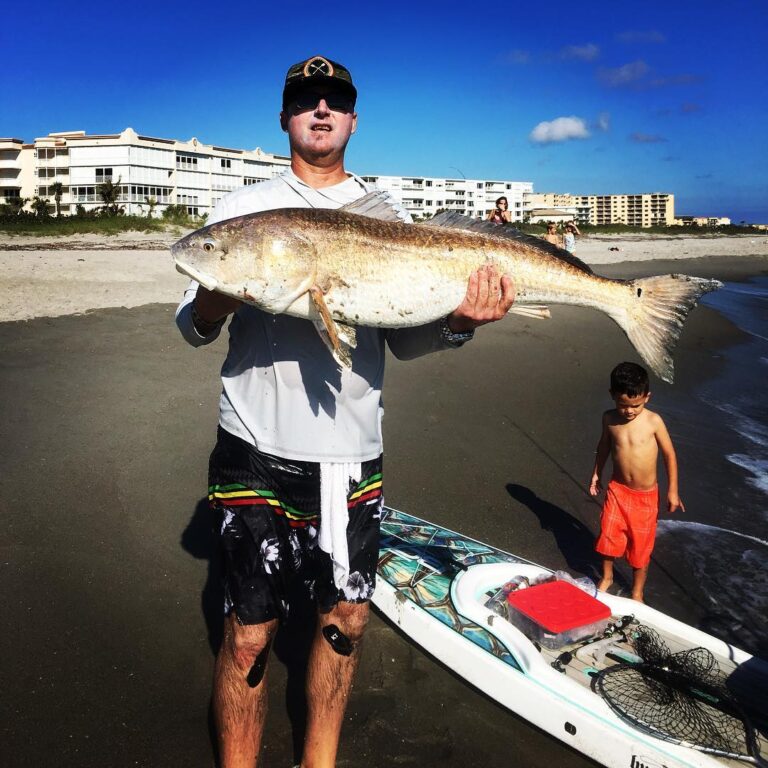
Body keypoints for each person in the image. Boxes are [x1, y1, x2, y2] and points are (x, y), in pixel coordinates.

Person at [175, 55, 515, 768]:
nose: (320, 110)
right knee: (247, 634)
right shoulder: (243, 213)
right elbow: (194, 324)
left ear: (354, 119)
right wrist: (225, 285)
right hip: (252, 445)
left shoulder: (386, 216)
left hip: (351, 451)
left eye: (335, 100)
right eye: (306, 100)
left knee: (344, 624)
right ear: (285, 117)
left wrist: (462, 321)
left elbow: (410, 338)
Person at [588, 362, 684, 602]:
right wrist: (596, 473)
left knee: (641, 546)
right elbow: (604, 447)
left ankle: (637, 591)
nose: (629, 411)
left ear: (647, 397)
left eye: (636, 405)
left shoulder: (653, 421)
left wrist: (673, 490)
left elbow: (669, 454)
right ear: (612, 396)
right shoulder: (609, 419)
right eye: (623, 405)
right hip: (617, 490)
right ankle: (608, 576)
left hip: (645, 497)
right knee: (608, 535)